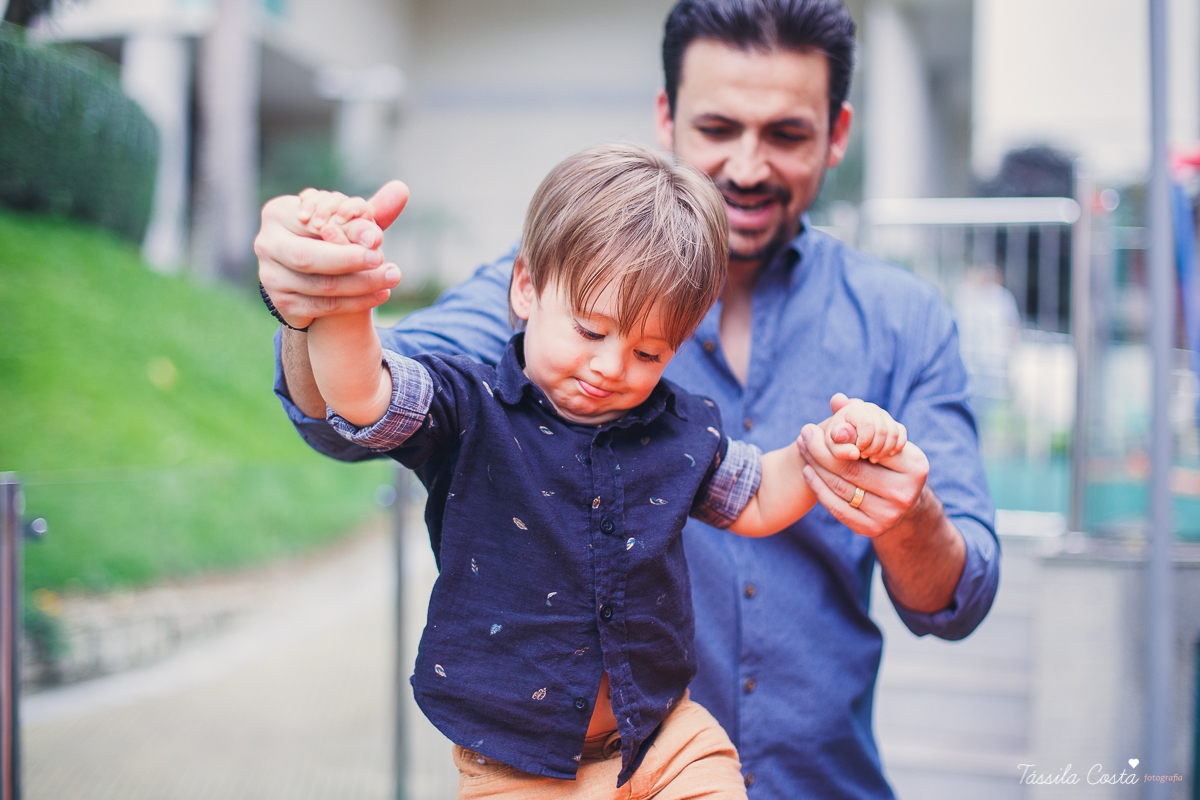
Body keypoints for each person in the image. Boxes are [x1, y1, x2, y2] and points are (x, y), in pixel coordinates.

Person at [255, 1, 1000, 796]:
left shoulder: (898, 322)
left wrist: (844, 462)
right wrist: (327, 303)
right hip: (528, 762)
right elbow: (364, 400)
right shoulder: (543, 295)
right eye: (719, 128)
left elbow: (933, 585)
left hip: (715, 751)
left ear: (836, 133)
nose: (749, 166)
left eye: (786, 134)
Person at [302, 143, 910, 798]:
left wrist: (824, 454)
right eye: (590, 332)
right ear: (527, 287)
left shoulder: (676, 429)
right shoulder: (471, 406)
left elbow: (757, 496)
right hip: (515, 762)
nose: (611, 368)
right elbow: (362, 395)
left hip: (664, 737)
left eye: (649, 353)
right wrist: (341, 305)